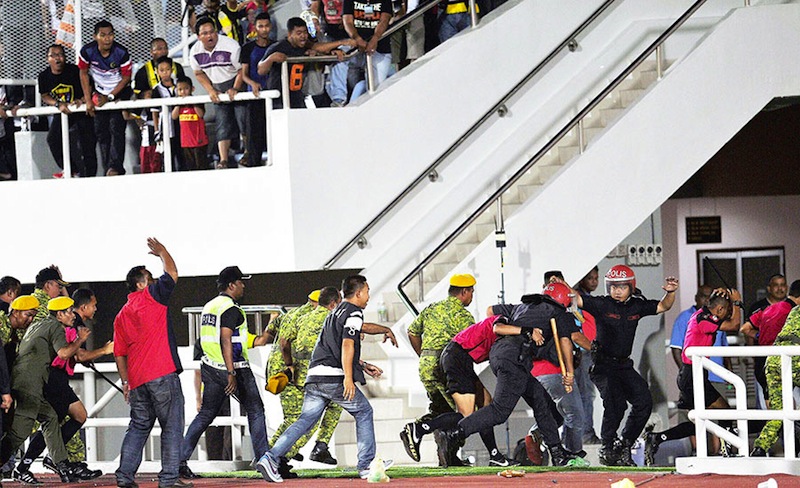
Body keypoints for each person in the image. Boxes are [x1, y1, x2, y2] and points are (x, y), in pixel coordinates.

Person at [257, 275, 397, 482]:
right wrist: (348, 378)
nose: (369, 295)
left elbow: (354, 332)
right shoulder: (354, 312)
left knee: (304, 420)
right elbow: (347, 343)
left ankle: (270, 457)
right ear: (358, 293)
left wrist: (382, 333)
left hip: (314, 376)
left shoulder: (336, 311)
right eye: (367, 291)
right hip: (333, 377)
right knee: (364, 411)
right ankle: (367, 464)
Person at [432, 284, 580, 467]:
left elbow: (491, 311)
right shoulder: (558, 313)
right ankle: (455, 433)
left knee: (541, 400)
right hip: (514, 358)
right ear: (563, 299)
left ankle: (557, 452)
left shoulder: (522, 306)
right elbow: (565, 342)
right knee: (500, 411)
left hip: (502, 353)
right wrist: (570, 373)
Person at [565, 264, 678, 466]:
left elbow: (663, 306)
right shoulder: (601, 304)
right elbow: (577, 298)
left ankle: (625, 445)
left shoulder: (637, 306)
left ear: (631, 287)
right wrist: (562, 284)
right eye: (613, 286)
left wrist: (670, 292)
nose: (616, 291)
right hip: (602, 365)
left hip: (624, 366)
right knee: (616, 404)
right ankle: (607, 448)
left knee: (644, 401)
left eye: (622, 287)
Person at [401, 314, 538, 466]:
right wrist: (527, 330)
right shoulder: (504, 320)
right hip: (457, 357)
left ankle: (495, 456)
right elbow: (497, 327)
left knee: (486, 405)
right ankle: (419, 429)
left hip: (461, 358)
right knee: (467, 415)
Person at [179, 266, 269, 480]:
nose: (243, 285)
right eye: (240, 282)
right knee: (256, 411)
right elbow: (226, 339)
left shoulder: (209, 306)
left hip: (210, 367)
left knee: (205, 415)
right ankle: (265, 460)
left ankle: (179, 460)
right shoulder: (231, 308)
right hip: (234, 367)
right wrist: (231, 372)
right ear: (231, 285)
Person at [113, 238, 189, 488]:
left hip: (137, 380)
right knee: (172, 426)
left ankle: (124, 476)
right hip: (162, 373)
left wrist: (126, 382)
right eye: (149, 276)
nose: (155, 279)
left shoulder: (122, 313)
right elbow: (173, 273)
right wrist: (163, 252)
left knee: (138, 426)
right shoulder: (152, 296)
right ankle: (168, 479)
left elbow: (119, 353)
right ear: (140, 283)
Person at [14, 289, 111, 483]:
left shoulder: (65, 324)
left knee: (64, 420)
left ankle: (46, 460)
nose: (72, 314)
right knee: (54, 422)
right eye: (93, 305)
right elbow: (71, 354)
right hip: (53, 380)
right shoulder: (63, 327)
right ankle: (32, 464)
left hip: (54, 379)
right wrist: (105, 350)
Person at [644, 288, 741, 465]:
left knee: (702, 420)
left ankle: (657, 438)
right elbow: (734, 325)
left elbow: (723, 315)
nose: (728, 314)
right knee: (718, 413)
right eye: (726, 310)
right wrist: (737, 302)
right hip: (691, 375)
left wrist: (722, 294)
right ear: (719, 310)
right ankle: (727, 450)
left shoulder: (704, 313)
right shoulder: (703, 318)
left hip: (697, 375)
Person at [0, 297, 92, 482]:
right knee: (19, 433)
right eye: (68, 311)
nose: (73, 316)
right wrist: (80, 340)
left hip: (26, 382)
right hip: (29, 384)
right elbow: (64, 353)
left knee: (50, 417)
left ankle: (61, 463)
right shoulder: (55, 327)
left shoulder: (39, 324)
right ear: (59, 314)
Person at [406, 273, 477, 466]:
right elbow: (472, 343)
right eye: (471, 291)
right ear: (464, 292)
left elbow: (412, 332)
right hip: (445, 366)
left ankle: (447, 457)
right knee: (464, 412)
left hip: (426, 363)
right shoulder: (462, 315)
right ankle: (418, 428)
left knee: (440, 410)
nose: (471, 296)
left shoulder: (432, 308)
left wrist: (424, 355)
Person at [271, 286, 342, 467]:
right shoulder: (320, 317)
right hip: (296, 372)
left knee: (297, 417)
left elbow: (271, 331)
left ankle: (275, 453)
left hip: (286, 370)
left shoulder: (293, 314)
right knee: (306, 418)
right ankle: (276, 455)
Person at [258, 17, 353, 109]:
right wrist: (271, 59)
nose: (303, 36)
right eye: (299, 33)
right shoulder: (278, 47)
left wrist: (333, 51)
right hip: (279, 99)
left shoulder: (305, 45)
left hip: (298, 98)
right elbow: (261, 70)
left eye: (305, 32)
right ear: (290, 34)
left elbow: (319, 48)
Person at [189, 17, 247, 169]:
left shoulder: (231, 45)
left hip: (236, 80)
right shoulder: (195, 51)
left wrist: (235, 87)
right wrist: (210, 90)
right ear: (198, 36)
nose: (210, 36)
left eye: (212, 32)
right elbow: (198, 73)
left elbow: (242, 70)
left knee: (243, 119)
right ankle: (223, 160)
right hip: (217, 85)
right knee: (222, 123)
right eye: (205, 33)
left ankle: (248, 153)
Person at [751, 280, 800, 457]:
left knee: (778, 412)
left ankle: (760, 448)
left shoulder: (793, 310)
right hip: (794, 361)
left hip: (772, 362)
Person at [78, 20, 133, 176]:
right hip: (99, 94)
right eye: (103, 35)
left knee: (116, 127)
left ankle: (116, 168)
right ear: (95, 37)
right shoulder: (87, 52)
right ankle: (107, 168)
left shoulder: (121, 52)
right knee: (101, 131)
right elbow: (83, 73)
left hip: (118, 92)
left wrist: (110, 97)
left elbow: (126, 77)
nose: (107, 38)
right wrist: (89, 100)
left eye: (110, 34)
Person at [38, 44, 98, 178]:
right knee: (53, 139)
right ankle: (71, 170)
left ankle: (91, 177)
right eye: (53, 56)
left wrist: (83, 99)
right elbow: (45, 95)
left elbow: (90, 85)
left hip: (81, 110)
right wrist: (58, 104)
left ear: (65, 57)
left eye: (60, 55)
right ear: (47, 59)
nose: (57, 59)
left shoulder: (75, 71)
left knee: (87, 143)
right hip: (65, 111)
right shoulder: (44, 76)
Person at [746, 273, 788, 401]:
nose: (780, 289)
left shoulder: (793, 307)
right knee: (766, 399)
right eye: (776, 285)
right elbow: (747, 331)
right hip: (763, 360)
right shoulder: (758, 308)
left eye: (783, 285)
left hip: (788, 359)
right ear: (769, 288)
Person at [342, 0, 394, 103]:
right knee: (353, 87)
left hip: (380, 48)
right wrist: (357, 38)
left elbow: (384, 20)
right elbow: (347, 21)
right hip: (355, 50)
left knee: (376, 89)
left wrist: (375, 38)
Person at [239, 12, 273, 165]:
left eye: (266, 26)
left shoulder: (276, 46)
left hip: (273, 96)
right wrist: (252, 83)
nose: (264, 29)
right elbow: (244, 74)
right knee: (254, 134)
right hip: (254, 97)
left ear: (270, 27)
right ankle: (254, 163)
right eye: (261, 26)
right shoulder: (247, 48)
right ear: (255, 28)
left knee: (273, 131)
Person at [572, 266, 600, 444]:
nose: (594, 282)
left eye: (596, 278)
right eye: (590, 278)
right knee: (585, 394)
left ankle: (583, 434)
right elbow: (578, 325)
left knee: (586, 394)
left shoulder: (590, 300)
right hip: (583, 352)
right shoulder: (578, 301)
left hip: (587, 351)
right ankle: (586, 435)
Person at [151, 56, 183, 172]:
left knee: (182, 155)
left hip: (181, 125)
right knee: (168, 155)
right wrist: (156, 131)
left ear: (172, 69)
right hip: (166, 127)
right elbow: (154, 112)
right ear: (157, 72)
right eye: (162, 70)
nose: (165, 73)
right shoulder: (157, 90)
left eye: (167, 69)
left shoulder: (180, 85)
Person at [172, 77, 210, 171]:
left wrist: (192, 102)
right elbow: (173, 116)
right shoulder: (178, 103)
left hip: (199, 140)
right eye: (180, 89)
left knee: (201, 166)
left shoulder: (197, 100)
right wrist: (178, 104)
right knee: (190, 166)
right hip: (186, 142)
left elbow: (201, 114)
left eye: (186, 89)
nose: (183, 92)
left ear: (192, 89)